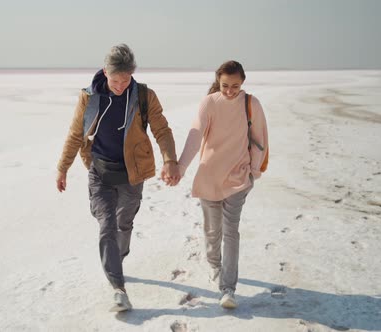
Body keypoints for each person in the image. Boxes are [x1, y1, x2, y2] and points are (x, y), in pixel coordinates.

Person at [56, 44, 180, 312]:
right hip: (100, 171)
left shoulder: (144, 96)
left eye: (126, 80)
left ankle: (118, 258)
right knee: (107, 225)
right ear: (105, 72)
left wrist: (170, 160)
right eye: (115, 80)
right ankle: (118, 287)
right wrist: (62, 168)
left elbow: (161, 129)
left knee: (124, 223)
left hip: (133, 174)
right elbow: (76, 134)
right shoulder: (90, 98)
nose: (121, 85)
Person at [177, 60, 268, 309]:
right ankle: (215, 265)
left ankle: (228, 289)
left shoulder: (251, 103)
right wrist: (181, 166)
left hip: (238, 179)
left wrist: (253, 172)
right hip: (209, 176)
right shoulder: (209, 103)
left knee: (231, 232)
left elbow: (260, 137)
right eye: (225, 85)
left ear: (243, 83)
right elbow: (196, 134)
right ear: (218, 81)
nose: (230, 91)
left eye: (235, 86)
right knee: (212, 231)